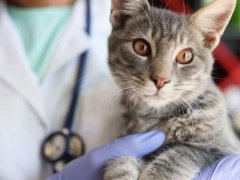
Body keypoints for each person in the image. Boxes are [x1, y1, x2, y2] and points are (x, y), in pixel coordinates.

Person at [0, 0, 239, 179]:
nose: (160, 77)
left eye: (184, 56)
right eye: (142, 48)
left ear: (209, 39)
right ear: (121, 17)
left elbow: (218, 151)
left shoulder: (209, 108)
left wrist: (171, 168)